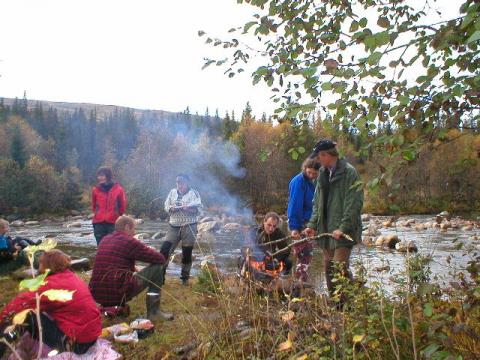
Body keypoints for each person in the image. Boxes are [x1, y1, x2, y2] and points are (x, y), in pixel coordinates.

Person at [0, 250, 101, 357]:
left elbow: (18, 304)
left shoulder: (51, 284)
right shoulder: (71, 276)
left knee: (25, 315)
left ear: (46, 266)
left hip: (75, 344)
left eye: (40, 263)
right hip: (90, 339)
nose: (39, 266)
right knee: (39, 311)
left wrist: (2, 320)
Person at [304, 139, 363, 299]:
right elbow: (317, 203)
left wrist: (343, 228)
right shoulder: (322, 173)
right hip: (326, 230)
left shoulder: (349, 173)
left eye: (319, 156)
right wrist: (312, 224)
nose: (317, 160)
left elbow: (353, 204)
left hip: (344, 231)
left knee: (339, 268)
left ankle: (352, 303)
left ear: (327, 155)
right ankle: (336, 304)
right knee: (329, 269)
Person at [89, 215, 173, 321]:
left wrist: (133, 267)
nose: (134, 232)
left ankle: (113, 308)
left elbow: (116, 261)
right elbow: (159, 259)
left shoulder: (106, 239)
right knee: (158, 268)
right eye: (134, 228)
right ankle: (154, 312)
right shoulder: (129, 241)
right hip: (118, 293)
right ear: (127, 227)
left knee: (116, 281)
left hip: (96, 294)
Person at [160, 174, 202, 285]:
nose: (179, 185)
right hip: (173, 226)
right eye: (177, 182)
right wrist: (171, 208)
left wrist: (189, 209)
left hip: (189, 226)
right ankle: (160, 277)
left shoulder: (194, 193)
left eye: (181, 182)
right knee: (165, 250)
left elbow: (199, 210)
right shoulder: (172, 192)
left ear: (187, 182)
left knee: (187, 252)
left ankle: (184, 279)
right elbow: (166, 206)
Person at [287, 158, 320, 282]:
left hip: (310, 223)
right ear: (304, 169)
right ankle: (300, 284)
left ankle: (299, 282)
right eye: (309, 172)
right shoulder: (299, 182)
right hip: (301, 224)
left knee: (306, 256)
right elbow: (294, 205)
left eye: (314, 173)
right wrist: (294, 227)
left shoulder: (314, 182)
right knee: (304, 256)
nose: (311, 175)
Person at [91, 166, 127, 245]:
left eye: (102, 175)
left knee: (113, 245)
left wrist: (117, 215)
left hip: (113, 222)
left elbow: (122, 205)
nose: (99, 178)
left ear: (108, 176)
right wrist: (97, 214)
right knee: (100, 246)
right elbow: (93, 205)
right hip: (98, 223)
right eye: (99, 175)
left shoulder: (118, 189)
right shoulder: (95, 190)